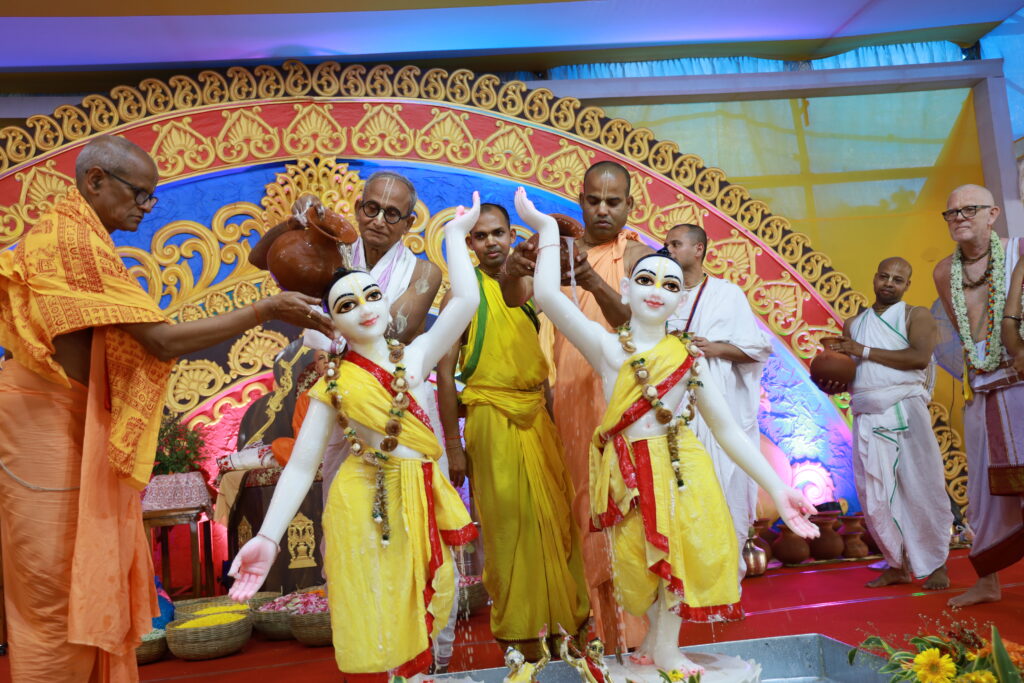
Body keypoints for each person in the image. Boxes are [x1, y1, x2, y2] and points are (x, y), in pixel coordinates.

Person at [0, 135, 333, 682]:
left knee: (86, 572)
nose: (144, 207)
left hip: (67, 414)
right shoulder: (71, 240)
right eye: (139, 195)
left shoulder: (84, 239)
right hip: (45, 422)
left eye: (151, 197)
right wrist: (263, 309)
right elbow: (161, 341)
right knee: (57, 582)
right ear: (95, 181)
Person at [518, 186, 818, 675]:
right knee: (639, 566)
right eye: (645, 280)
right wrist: (546, 228)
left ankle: (666, 648)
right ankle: (653, 644)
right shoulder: (607, 347)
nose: (656, 290)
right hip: (628, 474)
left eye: (669, 284)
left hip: (681, 469)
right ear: (629, 289)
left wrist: (779, 489)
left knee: (679, 561)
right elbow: (549, 295)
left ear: (680, 298)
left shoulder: (687, 357)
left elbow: (728, 431)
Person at [227, 194, 484, 678]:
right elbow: (303, 467)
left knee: (436, 594)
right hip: (361, 499)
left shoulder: (418, 355)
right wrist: (266, 537)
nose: (363, 309)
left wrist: (455, 234)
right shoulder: (332, 384)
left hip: (421, 491)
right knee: (378, 601)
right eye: (347, 304)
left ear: (387, 304)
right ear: (331, 320)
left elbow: (467, 301)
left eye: (371, 296)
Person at [505, 160, 653, 649]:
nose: (603, 210)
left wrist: (590, 279)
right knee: (584, 509)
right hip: (569, 396)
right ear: (581, 200)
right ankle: (598, 629)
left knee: (626, 507)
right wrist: (512, 268)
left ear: (631, 206)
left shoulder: (637, 258)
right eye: (594, 200)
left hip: (622, 398)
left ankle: (636, 632)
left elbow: (635, 324)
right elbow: (514, 297)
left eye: (614, 201)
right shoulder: (556, 253)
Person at [436, 203, 589, 659]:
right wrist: (453, 445)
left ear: (510, 234)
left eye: (498, 233)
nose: (491, 243)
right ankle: (520, 635)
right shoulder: (460, 296)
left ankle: (568, 627)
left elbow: (537, 366)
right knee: (507, 527)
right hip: (488, 417)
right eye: (480, 236)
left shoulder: (526, 285)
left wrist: (555, 419)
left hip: (537, 418)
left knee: (557, 523)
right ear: (469, 244)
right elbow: (445, 375)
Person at [822, 257, 953, 590]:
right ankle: (898, 562)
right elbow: (853, 371)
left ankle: (936, 563)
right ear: (874, 278)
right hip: (867, 412)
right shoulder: (854, 324)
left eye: (898, 279)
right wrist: (832, 380)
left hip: (906, 409)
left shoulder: (916, 315)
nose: (889, 283)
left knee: (921, 486)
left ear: (907, 285)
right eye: (884, 276)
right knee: (875, 494)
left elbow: (918, 358)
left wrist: (861, 350)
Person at [664, 223, 773, 583]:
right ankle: (686, 579)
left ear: (698, 249)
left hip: (718, 411)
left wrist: (714, 348)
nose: (669, 250)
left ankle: (725, 578)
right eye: (667, 244)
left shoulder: (728, 295)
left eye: (676, 244)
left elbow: (756, 350)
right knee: (678, 494)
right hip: (672, 412)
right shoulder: (661, 293)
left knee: (723, 487)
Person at [932, 184, 1024, 607]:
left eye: (970, 209)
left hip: (1022, 384)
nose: (959, 217)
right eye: (952, 212)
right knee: (982, 496)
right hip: (984, 392)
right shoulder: (941, 272)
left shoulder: (1020, 251)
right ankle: (987, 581)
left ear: (993, 215)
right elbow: (970, 341)